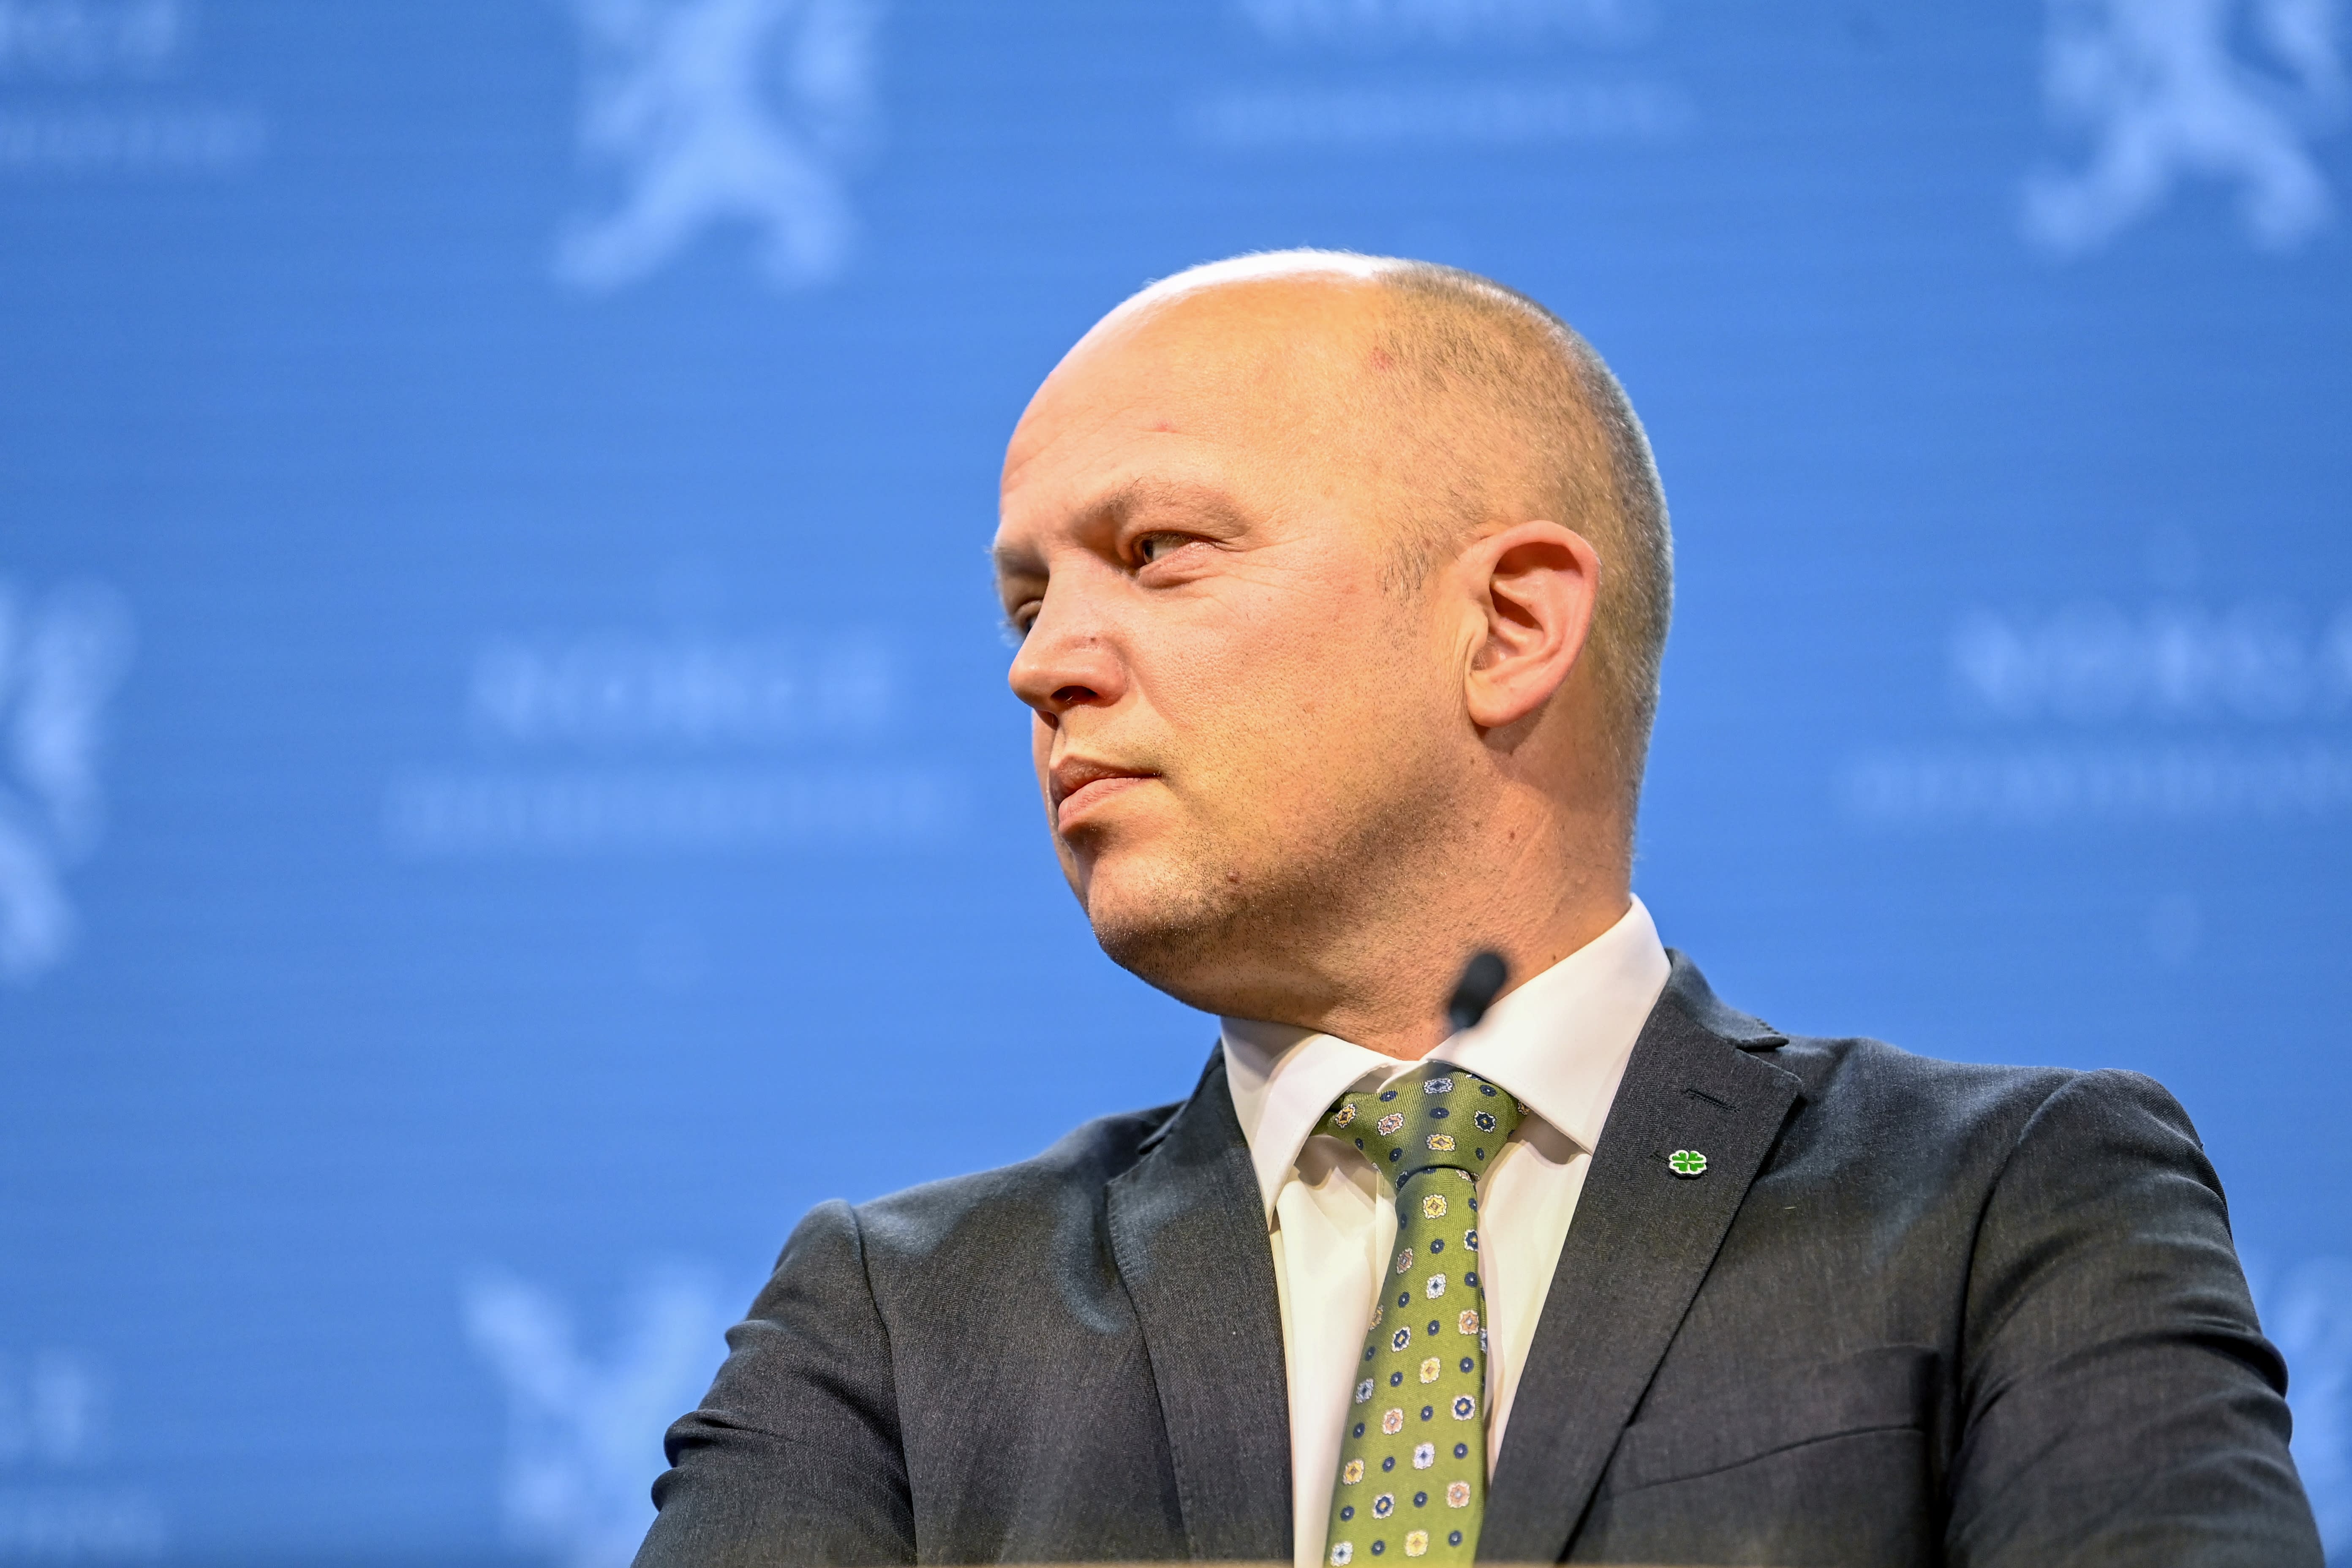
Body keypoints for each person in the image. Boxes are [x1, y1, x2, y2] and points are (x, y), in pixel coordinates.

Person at [630, 252, 2320, 1566]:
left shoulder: (2003, 1212)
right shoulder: (900, 1324)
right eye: (1026, 599)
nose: (1044, 664)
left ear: (1508, 627)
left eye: (1157, 553)